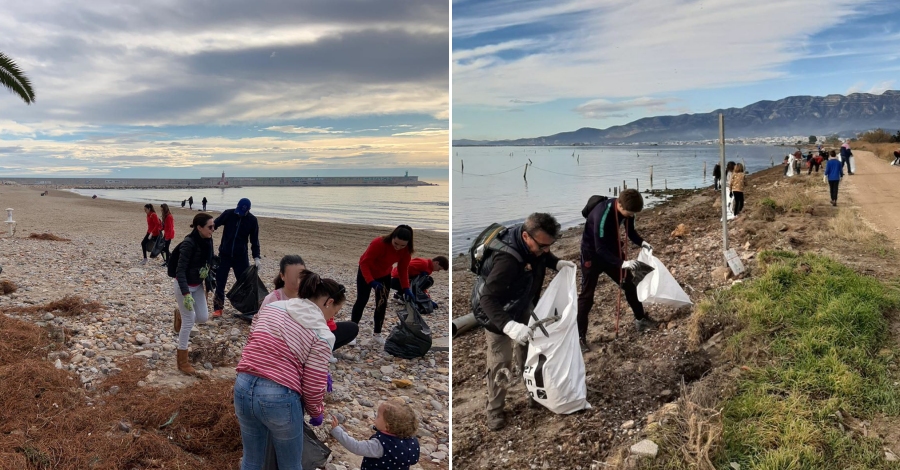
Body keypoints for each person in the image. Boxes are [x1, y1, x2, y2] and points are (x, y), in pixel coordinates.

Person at [471, 213, 574, 430]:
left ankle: (533, 393)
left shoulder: (534, 241)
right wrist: (509, 326)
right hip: (496, 313)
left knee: (528, 350)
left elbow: (544, 255)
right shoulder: (506, 260)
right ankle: (495, 410)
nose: (546, 249)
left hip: (522, 302)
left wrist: (556, 263)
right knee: (501, 361)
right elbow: (486, 299)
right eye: (543, 245)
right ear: (526, 236)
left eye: (550, 245)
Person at [233, 272, 343, 469]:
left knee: (252, 460)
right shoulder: (322, 332)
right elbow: (313, 383)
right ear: (329, 302)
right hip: (278, 397)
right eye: (335, 311)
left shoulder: (273, 307)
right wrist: (316, 411)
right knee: (290, 465)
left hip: (243, 384)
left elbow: (253, 341)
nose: (332, 317)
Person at [577, 189, 655, 350]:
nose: (631, 215)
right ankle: (580, 337)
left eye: (634, 213)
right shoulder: (602, 214)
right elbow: (599, 248)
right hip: (592, 255)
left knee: (630, 284)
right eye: (630, 213)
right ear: (619, 204)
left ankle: (640, 320)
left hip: (613, 252)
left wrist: (642, 243)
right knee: (587, 296)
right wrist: (622, 263)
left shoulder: (627, 210)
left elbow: (630, 232)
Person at [261, 255, 359, 351]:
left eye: (301, 277)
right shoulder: (272, 300)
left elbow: (323, 318)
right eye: (293, 278)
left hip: (311, 335)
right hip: (285, 342)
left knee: (351, 328)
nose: (298, 282)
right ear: (282, 276)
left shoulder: (312, 292)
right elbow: (262, 328)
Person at [350, 225, 415, 343]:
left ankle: (377, 334)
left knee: (382, 304)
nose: (398, 247)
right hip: (367, 272)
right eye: (396, 243)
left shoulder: (406, 251)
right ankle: (351, 334)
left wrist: (406, 288)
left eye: (402, 245)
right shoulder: (378, 243)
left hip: (384, 275)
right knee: (362, 300)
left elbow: (402, 269)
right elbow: (364, 263)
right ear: (392, 237)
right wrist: (371, 281)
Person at [172, 213, 215, 376]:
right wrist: (185, 293)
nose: (213, 230)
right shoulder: (188, 244)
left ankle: (181, 316)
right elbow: (180, 271)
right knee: (190, 320)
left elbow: (208, 261)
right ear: (199, 227)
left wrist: (208, 277)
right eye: (210, 227)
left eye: (214, 226)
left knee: (203, 317)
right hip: (183, 286)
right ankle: (182, 361)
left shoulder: (208, 240)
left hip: (197, 285)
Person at [329, 400, 420, 469]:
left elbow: (356, 446)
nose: (374, 418)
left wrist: (337, 430)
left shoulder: (380, 445)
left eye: (378, 416)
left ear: (387, 426)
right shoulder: (413, 442)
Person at [212, 198, 261, 317]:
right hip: (225, 255)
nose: (240, 213)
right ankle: (218, 308)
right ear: (237, 206)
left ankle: (248, 309)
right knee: (220, 282)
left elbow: (254, 240)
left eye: (243, 212)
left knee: (245, 283)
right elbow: (214, 224)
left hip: (241, 257)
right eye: (239, 210)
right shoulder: (228, 214)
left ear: (248, 210)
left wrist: (257, 257)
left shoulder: (252, 220)